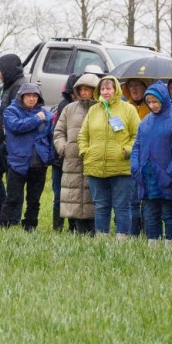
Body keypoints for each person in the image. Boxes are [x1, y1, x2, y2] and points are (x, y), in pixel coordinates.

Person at [79, 75, 140, 238]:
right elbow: (82, 135)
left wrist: (126, 150)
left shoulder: (128, 109)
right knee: (100, 206)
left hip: (121, 168)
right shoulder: (93, 110)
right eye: (103, 89)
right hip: (96, 167)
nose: (105, 92)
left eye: (109, 88)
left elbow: (137, 136)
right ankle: (102, 240)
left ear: (116, 90)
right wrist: (86, 151)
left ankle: (122, 240)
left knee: (122, 206)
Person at [131, 83, 172, 243]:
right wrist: (135, 167)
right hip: (147, 175)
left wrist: (171, 171)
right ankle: (153, 245)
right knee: (151, 214)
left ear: (163, 100)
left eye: (155, 101)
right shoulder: (145, 122)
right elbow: (137, 145)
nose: (152, 105)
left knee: (169, 214)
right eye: (149, 102)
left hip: (168, 176)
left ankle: (171, 245)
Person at [0, 82, 55, 230]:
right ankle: (3, 225)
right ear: (21, 97)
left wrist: (49, 157)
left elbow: (51, 137)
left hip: (39, 163)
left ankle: (30, 227)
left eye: (35, 96)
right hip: (18, 162)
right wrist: (37, 119)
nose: (32, 99)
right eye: (29, 96)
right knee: (12, 197)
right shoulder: (10, 111)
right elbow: (16, 126)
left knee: (34, 200)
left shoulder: (47, 114)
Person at [52, 73, 100, 234]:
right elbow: (58, 132)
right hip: (72, 160)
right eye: (81, 89)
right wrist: (63, 148)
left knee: (92, 196)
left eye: (88, 89)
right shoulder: (69, 109)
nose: (84, 92)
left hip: (94, 160)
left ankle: (94, 231)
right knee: (74, 196)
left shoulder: (101, 108)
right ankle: (77, 230)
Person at [0, 54, 26, 226]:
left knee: (13, 183)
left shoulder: (20, 87)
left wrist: (7, 138)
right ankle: (3, 211)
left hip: (9, 143)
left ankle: (12, 218)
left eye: (0, 69)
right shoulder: (4, 87)